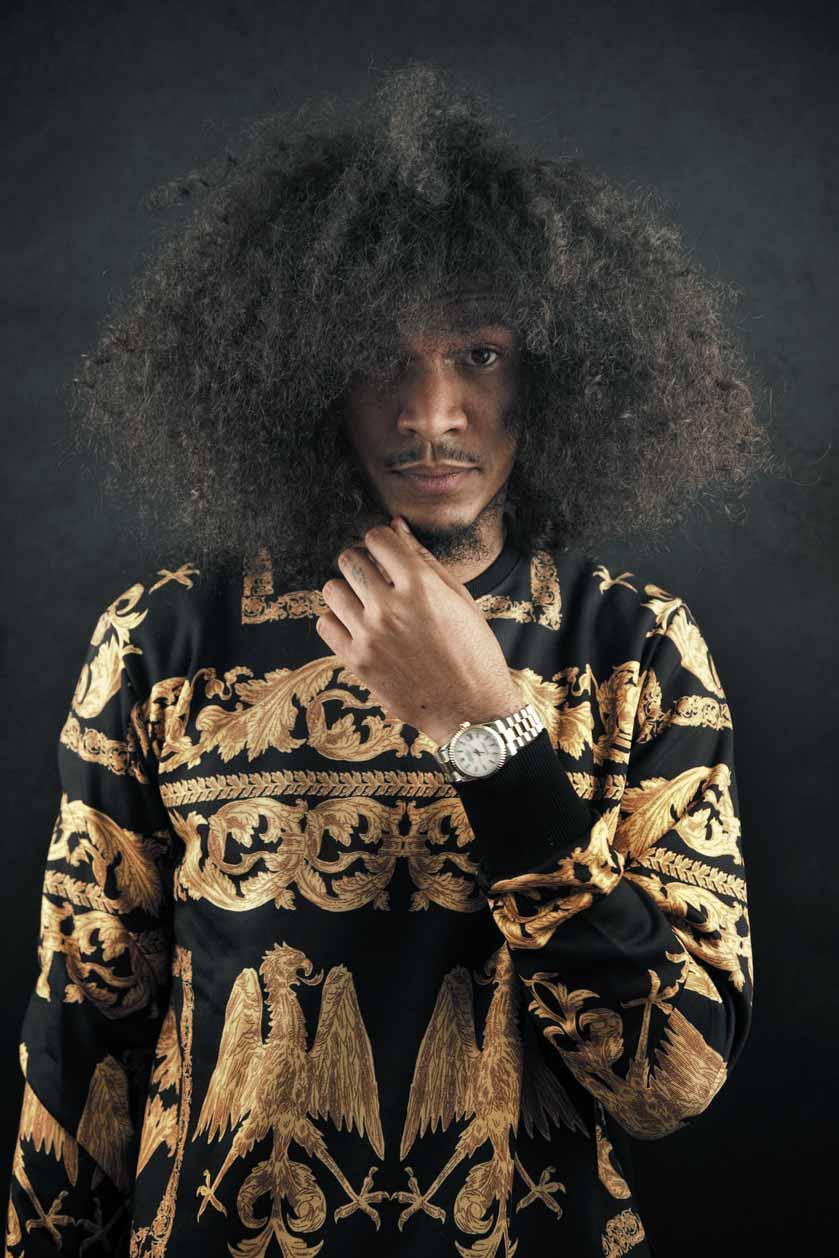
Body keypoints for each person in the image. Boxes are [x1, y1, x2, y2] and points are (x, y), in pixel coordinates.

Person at [5, 61, 777, 1258]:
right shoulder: (160, 643)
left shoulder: (636, 650)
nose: (429, 414)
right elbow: (80, 1044)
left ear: (554, 371)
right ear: (307, 370)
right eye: (382, 356)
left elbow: (671, 1080)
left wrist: (490, 737)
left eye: (479, 354)